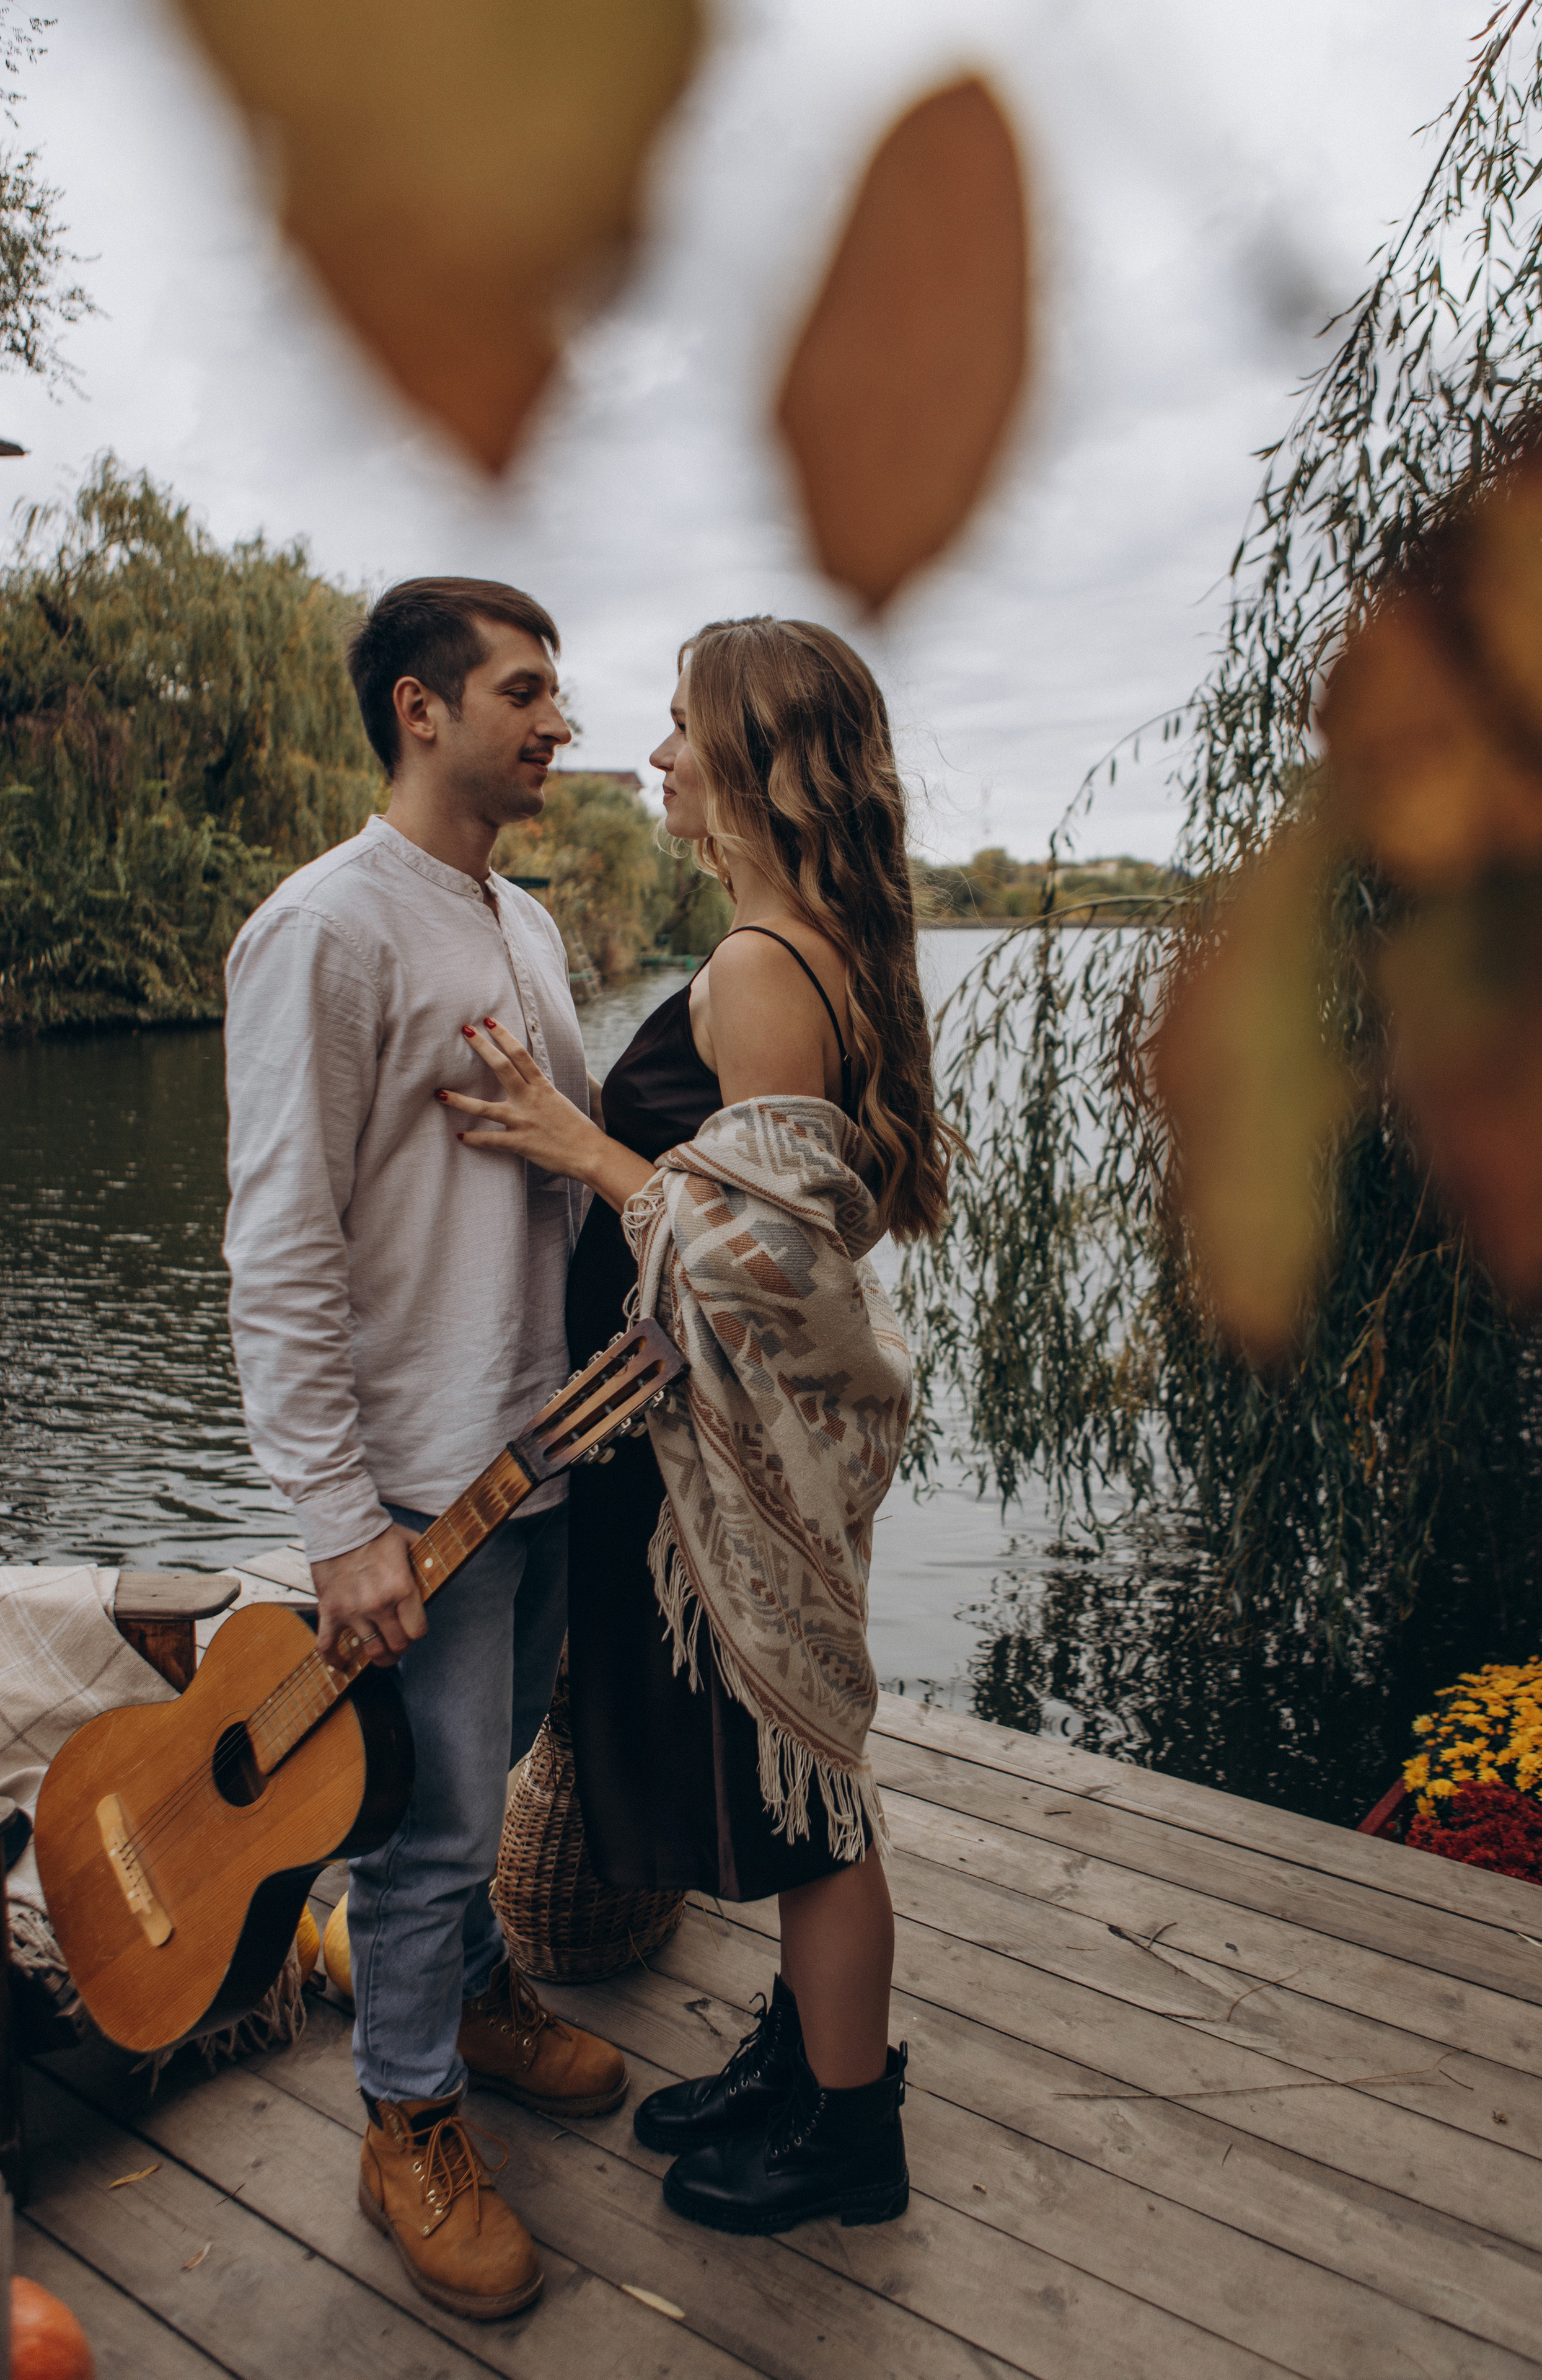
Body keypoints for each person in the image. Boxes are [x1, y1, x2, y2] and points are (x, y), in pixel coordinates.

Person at [435, 614, 955, 2237]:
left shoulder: (757, 966)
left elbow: (764, 1264)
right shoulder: (810, 946)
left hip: (730, 1469)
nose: (649, 752)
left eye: (677, 726)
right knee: (793, 1784)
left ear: (748, 758)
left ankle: (847, 2134)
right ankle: (807, 2057)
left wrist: (567, 1143)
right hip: (706, 1453)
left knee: (810, 1804)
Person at [223, 577, 627, 2324]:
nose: (560, 722)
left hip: (533, 1456)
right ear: (421, 709)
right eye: (527, 691)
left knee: (477, 1792)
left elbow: (571, 1154)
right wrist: (337, 1522)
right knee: (430, 1821)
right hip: (411, 1484)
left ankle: (468, 1991)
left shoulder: (522, 925)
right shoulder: (326, 929)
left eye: (560, 691)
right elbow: (279, 1243)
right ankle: (409, 2117)